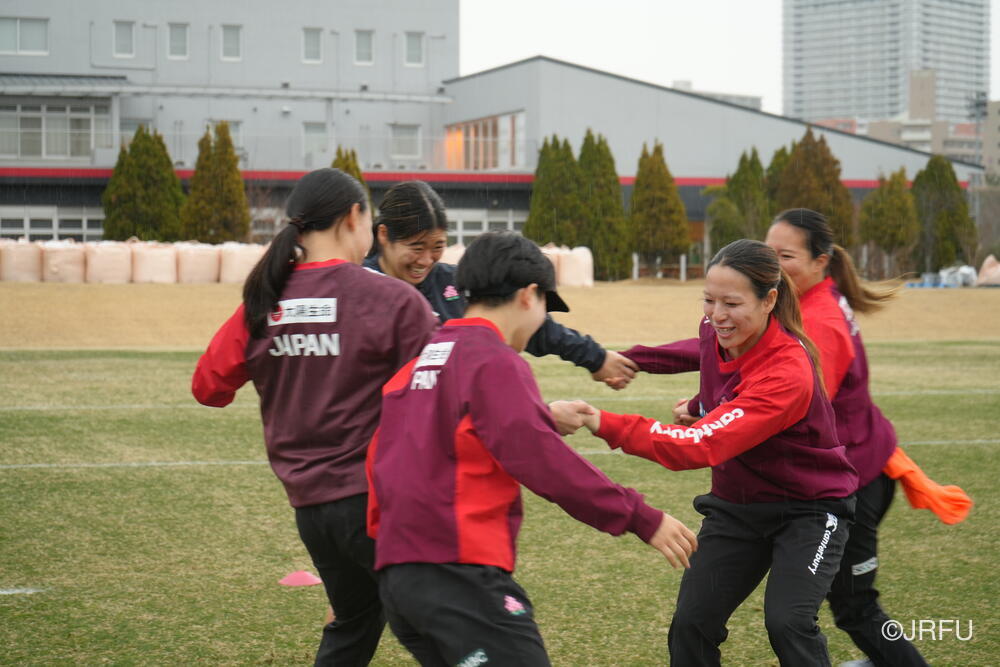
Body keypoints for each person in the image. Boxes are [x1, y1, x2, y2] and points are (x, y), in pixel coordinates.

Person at [366, 231, 698, 666]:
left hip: (400, 579)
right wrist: (640, 517)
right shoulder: (494, 360)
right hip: (459, 575)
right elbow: (545, 463)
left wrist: (537, 415)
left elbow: (387, 457)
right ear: (528, 295)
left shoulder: (422, 359)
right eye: (545, 305)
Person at [553, 239, 859, 666]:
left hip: (809, 510)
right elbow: (699, 351)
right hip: (739, 508)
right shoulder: (717, 330)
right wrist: (631, 360)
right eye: (709, 300)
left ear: (770, 300)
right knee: (692, 624)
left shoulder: (788, 370)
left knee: (787, 622)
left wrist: (599, 420)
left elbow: (699, 445)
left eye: (731, 303)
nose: (716, 315)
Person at [192, 168, 438, 666]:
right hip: (376, 501)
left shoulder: (263, 301)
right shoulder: (391, 300)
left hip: (311, 509)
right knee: (446, 627)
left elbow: (208, 387)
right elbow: (448, 392)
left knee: (354, 621)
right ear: (354, 217)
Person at [763, 208, 970, 667]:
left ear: (820, 261)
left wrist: (710, 414)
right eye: (768, 253)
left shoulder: (819, 319)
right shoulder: (812, 300)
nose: (773, 265)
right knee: (845, 604)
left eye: (785, 256)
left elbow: (794, 408)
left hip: (856, 482)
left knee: (856, 608)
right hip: (860, 468)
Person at [362, 180, 639, 388]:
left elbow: (528, 322)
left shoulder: (455, 281)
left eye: (437, 247)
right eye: (416, 247)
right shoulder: (359, 289)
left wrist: (595, 357)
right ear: (384, 235)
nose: (426, 260)